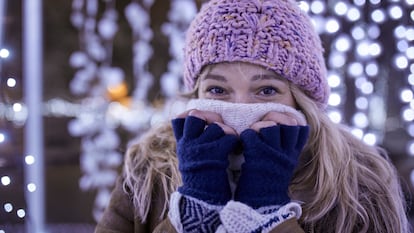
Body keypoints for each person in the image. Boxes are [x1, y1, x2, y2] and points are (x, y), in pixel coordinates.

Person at [95, 0, 412, 232]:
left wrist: (269, 211)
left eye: (266, 91)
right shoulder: (148, 168)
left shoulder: (360, 181)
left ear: (301, 99)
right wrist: (194, 206)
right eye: (219, 90)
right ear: (196, 94)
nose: (241, 109)